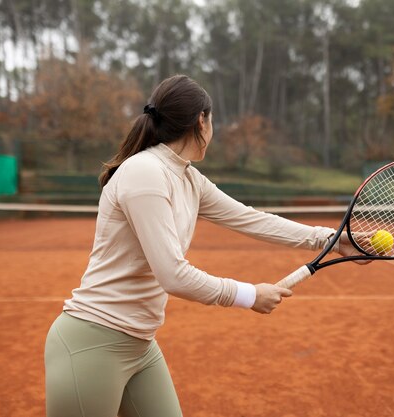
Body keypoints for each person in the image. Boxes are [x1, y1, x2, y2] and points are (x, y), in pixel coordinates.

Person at [44, 74, 363, 417]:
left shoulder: (188, 177)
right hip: (93, 342)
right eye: (213, 121)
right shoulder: (145, 173)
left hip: (139, 345)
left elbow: (249, 218)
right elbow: (173, 275)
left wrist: (330, 239)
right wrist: (249, 295)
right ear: (202, 120)